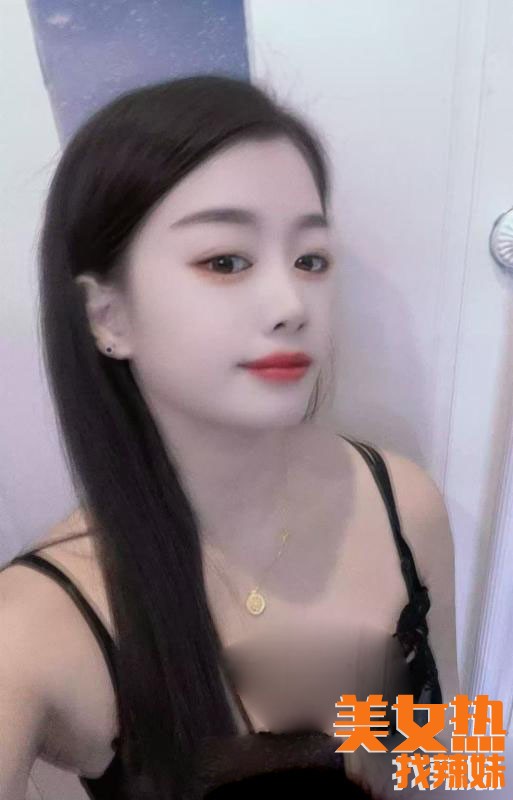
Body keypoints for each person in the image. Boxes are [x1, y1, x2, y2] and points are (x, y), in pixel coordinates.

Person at [0, 74, 459, 800]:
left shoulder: (404, 503)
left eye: (310, 259)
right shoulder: (36, 629)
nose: (290, 304)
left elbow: (447, 758)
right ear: (108, 317)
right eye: (225, 261)